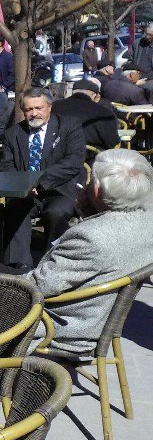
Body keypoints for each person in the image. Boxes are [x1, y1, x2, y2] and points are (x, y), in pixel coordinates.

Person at [26, 149, 153, 353]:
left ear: (96, 190)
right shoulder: (147, 221)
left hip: (63, 326)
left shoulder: (89, 237)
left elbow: (38, 286)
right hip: (98, 316)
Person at [0, 88, 87, 271]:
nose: (34, 114)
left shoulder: (69, 126)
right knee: (14, 210)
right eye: (29, 110)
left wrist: (39, 182)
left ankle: (52, 262)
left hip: (59, 189)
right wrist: (24, 185)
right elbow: (6, 166)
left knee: (57, 213)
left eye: (38, 108)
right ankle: (19, 266)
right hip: (25, 192)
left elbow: (73, 162)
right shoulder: (13, 134)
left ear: (49, 107)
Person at [52, 80, 121, 152]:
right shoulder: (104, 112)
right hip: (90, 158)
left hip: (56, 154)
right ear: (94, 95)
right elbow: (112, 142)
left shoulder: (54, 106)